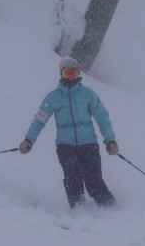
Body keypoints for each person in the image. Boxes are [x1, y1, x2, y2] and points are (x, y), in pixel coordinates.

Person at [19, 57, 119, 208]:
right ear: (61, 75)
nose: (71, 78)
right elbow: (39, 120)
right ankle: (78, 210)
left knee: (94, 180)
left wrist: (110, 140)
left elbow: (103, 118)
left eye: (74, 74)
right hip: (65, 146)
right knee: (73, 173)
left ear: (79, 74)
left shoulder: (88, 94)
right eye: (67, 74)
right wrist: (28, 140)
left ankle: (111, 208)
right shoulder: (53, 97)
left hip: (89, 144)